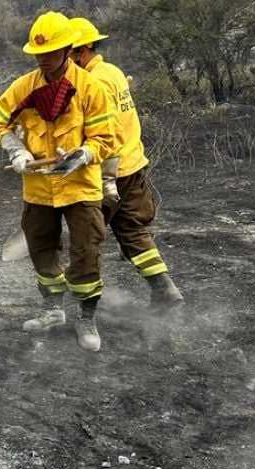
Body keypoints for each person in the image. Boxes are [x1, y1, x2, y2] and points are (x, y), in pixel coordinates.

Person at [0, 11, 118, 352]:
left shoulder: (91, 88)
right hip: (39, 188)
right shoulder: (23, 87)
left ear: (67, 50)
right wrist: (16, 150)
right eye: (38, 54)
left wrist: (83, 154)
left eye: (51, 52)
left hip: (80, 186)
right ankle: (52, 309)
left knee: (85, 251)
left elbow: (106, 138)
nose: (43, 59)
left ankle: (86, 317)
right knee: (41, 247)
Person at [70, 17, 184, 309]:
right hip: (133, 163)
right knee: (132, 229)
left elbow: (100, 132)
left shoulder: (91, 82)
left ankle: (83, 305)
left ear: (80, 51)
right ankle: (164, 288)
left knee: (86, 236)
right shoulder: (113, 72)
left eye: (66, 55)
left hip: (110, 170)